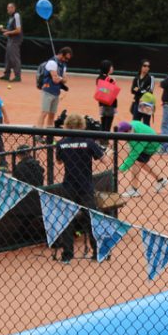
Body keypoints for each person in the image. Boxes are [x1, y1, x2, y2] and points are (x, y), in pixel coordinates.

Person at [55, 113, 106, 264]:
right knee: (91, 218)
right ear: (82, 125)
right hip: (86, 186)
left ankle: (67, 255)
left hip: (69, 185)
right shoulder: (88, 141)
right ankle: (97, 253)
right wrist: (106, 152)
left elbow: (58, 161)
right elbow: (104, 160)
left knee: (67, 220)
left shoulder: (61, 143)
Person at [116, 121, 168, 198]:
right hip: (148, 140)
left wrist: (120, 169)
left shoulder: (139, 140)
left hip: (151, 146)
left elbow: (133, 156)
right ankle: (161, 180)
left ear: (128, 131)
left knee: (136, 162)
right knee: (142, 163)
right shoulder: (132, 125)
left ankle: (134, 190)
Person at [37, 47, 72, 134]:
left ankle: (49, 136)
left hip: (56, 92)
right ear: (61, 54)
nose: (66, 60)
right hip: (48, 90)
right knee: (44, 112)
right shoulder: (52, 63)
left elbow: (65, 79)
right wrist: (60, 78)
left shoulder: (63, 65)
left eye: (68, 59)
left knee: (52, 115)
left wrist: (59, 77)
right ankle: (38, 134)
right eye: (66, 58)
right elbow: (55, 80)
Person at [0, 2, 23, 82]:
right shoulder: (11, 17)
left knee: (14, 57)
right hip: (10, 39)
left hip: (16, 40)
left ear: (13, 8)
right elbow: (11, 29)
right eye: (7, 8)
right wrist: (4, 30)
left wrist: (7, 33)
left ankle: (17, 76)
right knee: (8, 57)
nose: (7, 10)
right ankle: (6, 75)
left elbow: (18, 30)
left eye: (9, 8)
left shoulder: (16, 16)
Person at [95, 60, 119, 133]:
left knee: (104, 123)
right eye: (111, 67)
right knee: (107, 124)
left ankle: (103, 140)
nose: (112, 68)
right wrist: (112, 83)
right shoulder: (105, 78)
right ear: (107, 68)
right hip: (108, 104)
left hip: (102, 104)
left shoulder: (100, 78)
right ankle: (104, 141)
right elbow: (104, 90)